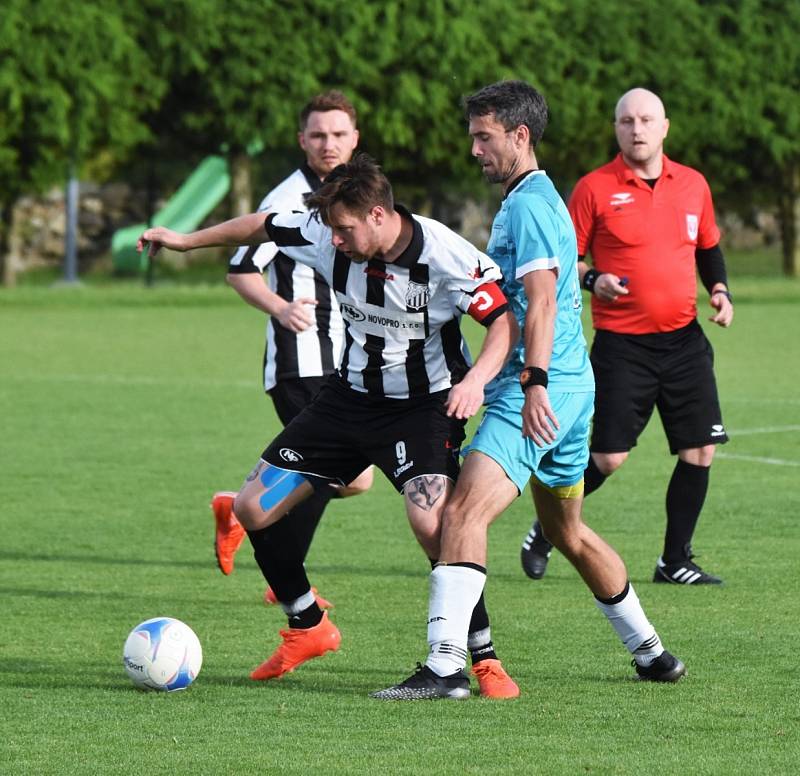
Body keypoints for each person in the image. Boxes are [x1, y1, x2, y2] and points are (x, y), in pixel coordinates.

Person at [139, 153, 521, 698]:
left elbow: (502, 322)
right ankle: (307, 623)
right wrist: (184, 239)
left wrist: (477, 379)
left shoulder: (445, 254)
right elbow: (263, 223)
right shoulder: (327, 230)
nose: (335, 240)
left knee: (434, 526)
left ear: (379, 216)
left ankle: (480, 658)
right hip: (346, 399)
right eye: (331, 229)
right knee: (251, 507)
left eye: (345, 229)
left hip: (422, 406)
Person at [374, 80, 686, 701]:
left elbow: (541, 301)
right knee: (567, 533)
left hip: (538, 392)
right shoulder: (539, 198)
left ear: (520, 136)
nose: (474, 151)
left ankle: (444, 670)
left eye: (483, 138)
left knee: (460, 512)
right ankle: (651, 652)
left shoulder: (530, 206)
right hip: (573, 392)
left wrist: (533, 383)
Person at [520, 88, 732, 585]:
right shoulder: (594, 188)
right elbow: (565, 261)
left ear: (664, 127)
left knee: (700, 450)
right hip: (622, 345)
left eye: (645, 120)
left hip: (684, 340)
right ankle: (546, 528)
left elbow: (709, 247)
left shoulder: (694, 185)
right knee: (608, 458)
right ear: (616, 129)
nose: (636, 129)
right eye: (625, 121)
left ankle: (674, 560)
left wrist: (719, 290)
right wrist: (596, 280)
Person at [211, 91, 373, 610]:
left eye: (339, 134)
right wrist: (280, 308)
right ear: (302, 140)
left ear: (355, 139)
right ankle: (287, 582)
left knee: (350, 478)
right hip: (301, 354)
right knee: (342, 471)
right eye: (319, 135)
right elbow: (240, 270)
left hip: (345, 358)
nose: (329, 144)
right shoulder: (286, 198)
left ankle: (243, 515)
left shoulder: (357, 192)